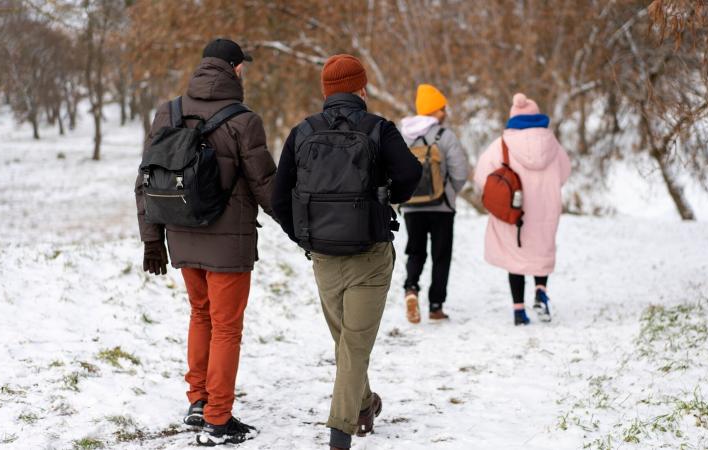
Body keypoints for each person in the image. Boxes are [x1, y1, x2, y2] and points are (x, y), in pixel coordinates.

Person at [270, 54, 421, 450]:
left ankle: (364, 405)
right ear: (361, 88)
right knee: (353, 344)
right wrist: (387, 199)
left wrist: (303, 236)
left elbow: (277, 196)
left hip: (322, 255)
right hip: (370, 253)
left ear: (325, 92)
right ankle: (342, 432)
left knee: (348, 341)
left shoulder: (303, 132)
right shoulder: (378, 129)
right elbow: (410, 173)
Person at [134, 38, 275, 446]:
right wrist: (302, 226)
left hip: (180, 233)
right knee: (227, 328)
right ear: (235, 69)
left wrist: (152, 240)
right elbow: (266, 186)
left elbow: (145, 180)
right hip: (227, 243)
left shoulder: (169, 112)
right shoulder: (244, 120)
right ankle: (218, 419)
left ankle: (198, 401)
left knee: (201, 316)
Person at [473, 93, 571, 325]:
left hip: (515, 211)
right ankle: (540, 292)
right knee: (541, 251)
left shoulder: (501, 145)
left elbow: (481, 176)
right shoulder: (553, 144)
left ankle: (519, 311)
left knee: (515, 256)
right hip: (547, 208)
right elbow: (565, 173)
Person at [399, 84, 469, 323]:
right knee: (441, 255)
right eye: (442, 108)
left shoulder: (403, 135)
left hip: (411, 205)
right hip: (442, 207)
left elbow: (394, 169)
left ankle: (411, 289)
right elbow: (460, 171)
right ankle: (436, 306)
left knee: (415, 251)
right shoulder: (445, 136)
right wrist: (448, 193)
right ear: (434, 111)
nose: (445, 112)